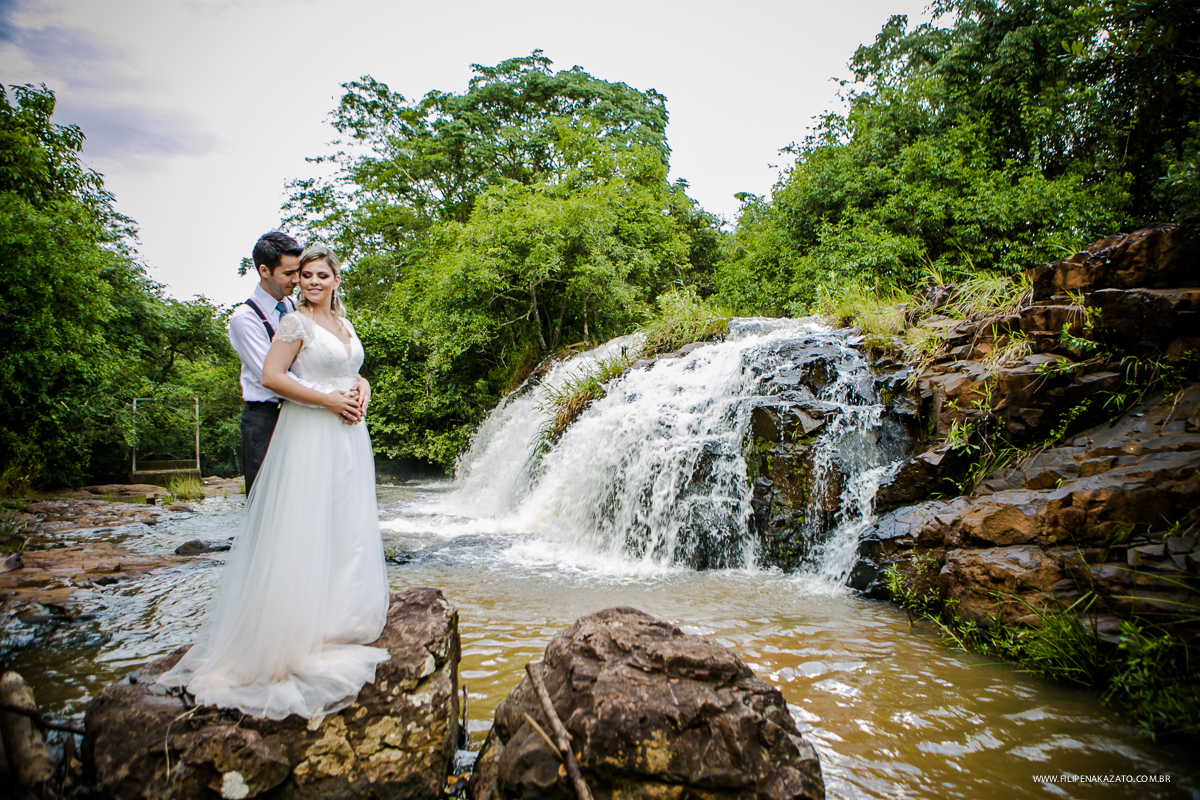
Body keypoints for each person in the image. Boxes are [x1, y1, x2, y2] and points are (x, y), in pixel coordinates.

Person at [159, 245, 390, 720]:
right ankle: (301, 623)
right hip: (311, 430)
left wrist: (362, 388)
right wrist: (328, 401)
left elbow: (352, 369)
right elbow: (271, 375)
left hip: (349, 432)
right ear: (298, 280)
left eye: (321, 275)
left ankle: (343, 612)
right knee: (304, 519)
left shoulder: (343, 324)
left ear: (336, 279)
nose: (312, 282)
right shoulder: (293, 323)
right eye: (305, 275)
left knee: (345, 515)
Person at [229, 232, 365, 494]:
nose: (297, 280)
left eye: (298, 272)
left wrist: (357, 381)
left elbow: (321, 359)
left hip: (311, 415)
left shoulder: (298, 305)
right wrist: (331, 397)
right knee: (268, 501)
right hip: (266, 417)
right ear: (264, 270)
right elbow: (272, 377)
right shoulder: (245, 320)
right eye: (290, 273)